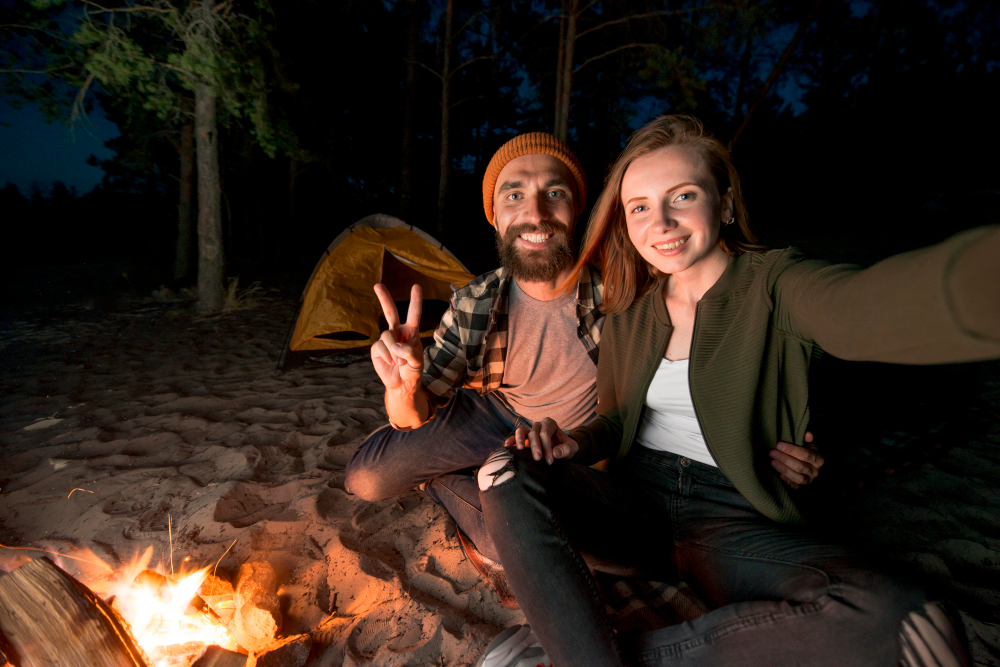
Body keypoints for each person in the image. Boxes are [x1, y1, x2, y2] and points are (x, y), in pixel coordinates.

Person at [477, 115, 999, 666]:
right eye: (639, 207)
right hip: (635, 507)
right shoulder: (630, 312)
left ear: (724, 204)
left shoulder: (775, 284)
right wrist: (574, 445)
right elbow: (617, 421)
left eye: (683, 196)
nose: (661, 222)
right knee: (503, 471)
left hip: (733, 517)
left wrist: (972, 289)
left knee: (907, 618)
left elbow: (863, 305)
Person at [345, 132, 823, 596]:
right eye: (514, 195)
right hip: (491, 411)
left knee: (512, 539)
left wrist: (782, 433)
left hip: (560, 440)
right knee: (365, 478)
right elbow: (411, 415)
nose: (535, 214)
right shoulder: (476, 300)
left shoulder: (622, 288)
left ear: (577, 211)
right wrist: (404, 388)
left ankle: (447, 481)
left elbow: (714, 320)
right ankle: (453, 465)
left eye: (555, 193)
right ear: (495, 217)